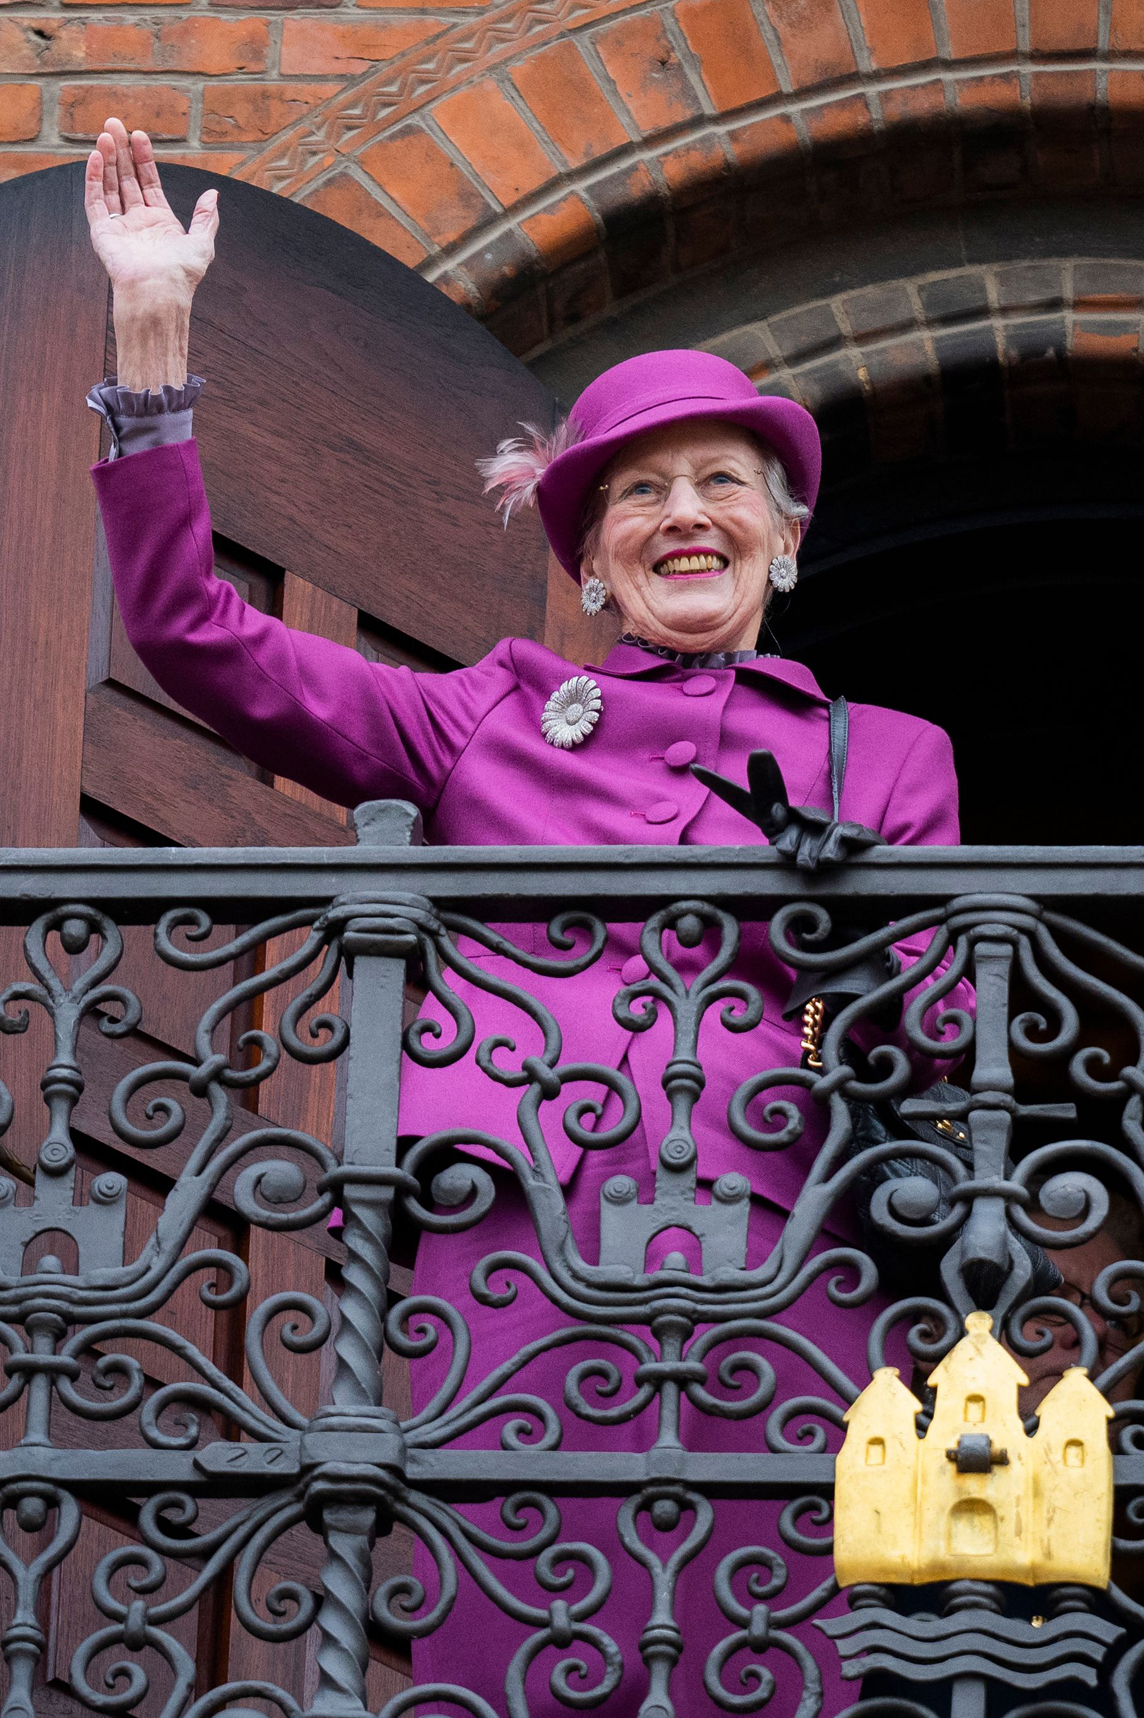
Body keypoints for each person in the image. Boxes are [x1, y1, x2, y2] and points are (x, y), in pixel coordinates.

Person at [84, 118, 970, 1718]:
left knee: (784, 1659)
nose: (683, 514)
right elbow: (196, 637)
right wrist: (153, 340)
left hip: (795, 1239)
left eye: (721, 485)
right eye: (638, 494)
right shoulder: (485, 716)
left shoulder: (889, 758)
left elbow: (955, 1031)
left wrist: (853, 942)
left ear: (785, 534)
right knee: (526, 1652)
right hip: (520, 1246)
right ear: (592, 559)